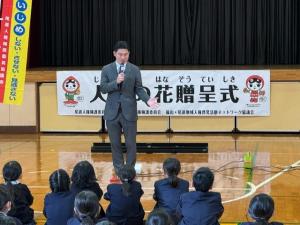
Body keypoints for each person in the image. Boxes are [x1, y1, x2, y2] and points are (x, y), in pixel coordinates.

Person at [100, 40, 159, 175]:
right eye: (120, 54)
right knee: (115, 144)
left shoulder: (134, 69)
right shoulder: (106, 69)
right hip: (112, 112)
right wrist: (116, 82)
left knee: (131, 144)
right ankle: (119, 170)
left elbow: (139, 89)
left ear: (129, 54)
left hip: (129, 111)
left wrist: (147, 100)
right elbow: (103, 88)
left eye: (126, 54)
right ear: (114, 54)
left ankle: (130, 170)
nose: (123, 57)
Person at [153, 158, 189, 223]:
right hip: (180, 218)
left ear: (165, 170)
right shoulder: (185, 184)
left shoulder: (158, 184)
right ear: (179, 170)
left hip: (164, 219)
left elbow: (157, 198)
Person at [2, 161, 35, 225]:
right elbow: (30, 201)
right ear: (20, 175)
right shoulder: (23, 187)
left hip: (8, 221)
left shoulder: (1, 188)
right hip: (24, 220)